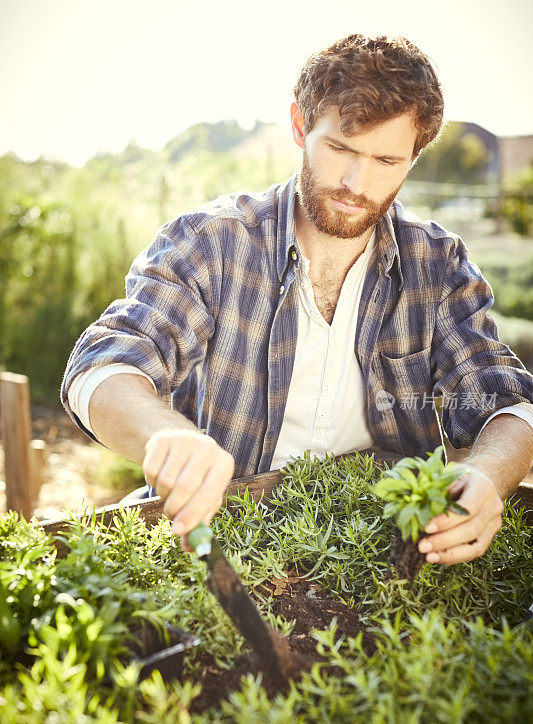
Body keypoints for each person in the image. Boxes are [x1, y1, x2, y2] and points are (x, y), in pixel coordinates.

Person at [61, 34, 533, 566]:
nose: (356, 182)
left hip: (384, 554)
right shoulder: (213, 242)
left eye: (385, 160)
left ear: (413, 159)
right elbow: (103, 363)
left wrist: (487, 473)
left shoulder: (437, 265)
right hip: (220, 539)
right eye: (339, 149)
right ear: (299, 126)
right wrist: (166, 434)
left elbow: (507, 402)